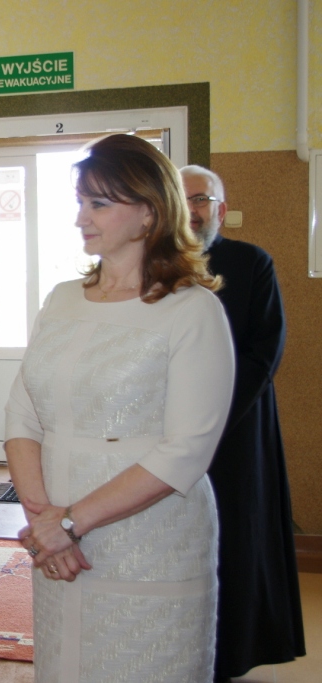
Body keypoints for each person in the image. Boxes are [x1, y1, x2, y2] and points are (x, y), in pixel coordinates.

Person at [5, 135, 235, 682]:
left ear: (150, 212)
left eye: (99, 203)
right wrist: (43, 520)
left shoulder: (192, 310)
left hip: (148, 539)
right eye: (80, 202)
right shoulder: (62, 298)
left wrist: (70, 522)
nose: (80, 218)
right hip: (56, 536)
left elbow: (187, 449)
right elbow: (22, 416)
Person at [180, 165, 305, 681]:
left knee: (236, 535)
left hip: (238, 428)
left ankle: (231, 652)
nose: (192, 210)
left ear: (221, 210)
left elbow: (264, 351)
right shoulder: (153, 265)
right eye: (182, 199)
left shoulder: (252, 263)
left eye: (201, 200)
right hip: (168, 429)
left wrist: (210, 418)